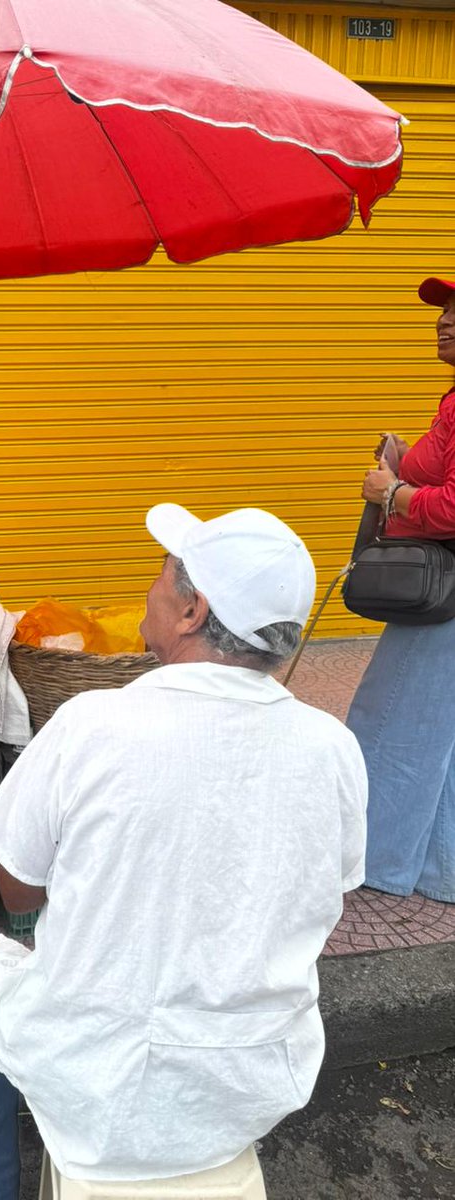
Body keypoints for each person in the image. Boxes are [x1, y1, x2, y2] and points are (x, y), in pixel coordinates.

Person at [0, 504, 368, 1200]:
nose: (151, 589)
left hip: (99, 1080)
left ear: (191, 610)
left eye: (163, 576)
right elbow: (325, 895)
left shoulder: (92, 723)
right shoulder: (333, 748)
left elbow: (17, 892)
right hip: (254, 1077)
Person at [346, 275, 455, 904]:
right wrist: (408, 457)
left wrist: (393, 493)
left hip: (444, 595)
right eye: (442, 310)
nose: (442, 320)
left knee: (391, 720)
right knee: (439, 730)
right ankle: (440, 872)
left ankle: (371, 866)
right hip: (447, 590)